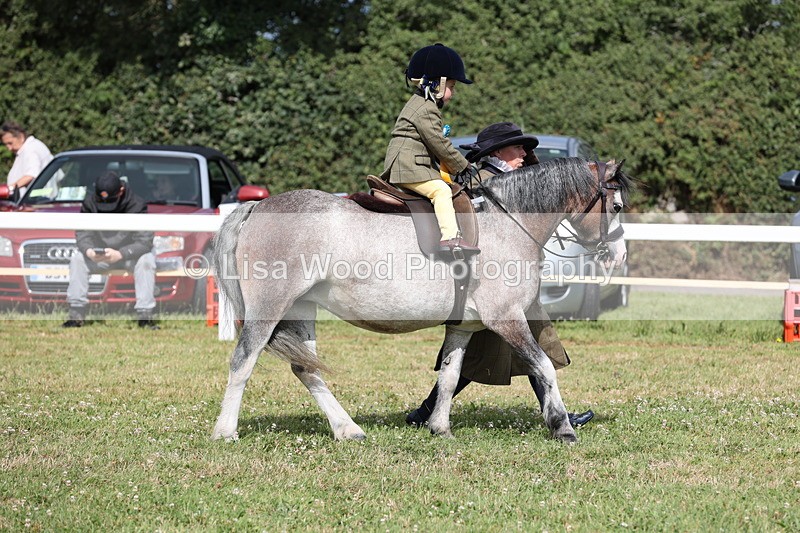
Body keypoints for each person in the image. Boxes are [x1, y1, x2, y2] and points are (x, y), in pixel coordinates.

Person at [406, 121, 595, 429]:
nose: (524, 152)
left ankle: (556, 413)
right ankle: (426, 412)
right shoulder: (482, 180)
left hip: (509, 281)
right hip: (485, 283)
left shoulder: (512, 179)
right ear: (497, 152)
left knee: (529, 345)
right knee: (488, 356)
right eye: (518, 146)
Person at [380, 43, 479, 254]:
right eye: (452, 86)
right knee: (441, 191)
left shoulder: (422, 104)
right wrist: (464, 166)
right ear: (438, 84)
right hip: (408, 165)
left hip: (410, 163)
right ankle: (450, 238)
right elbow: (438, 143)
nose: (453, 93)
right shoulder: (426, 108)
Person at [62, 171, 159, 329]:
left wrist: (121, 254)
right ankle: (76, 314)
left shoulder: (137, 204)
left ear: (121, 191)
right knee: (78, 259)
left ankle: (145, 316)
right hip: (101, 257)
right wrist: (89, 252)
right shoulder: (90, 203)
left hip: (130, 256)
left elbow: (145, 241)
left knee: (146, 260)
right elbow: (82, 234)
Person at [1, 121, 53, 199]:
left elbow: (31, 175)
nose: (9, 148)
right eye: (6, 144)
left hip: (37, 202)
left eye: (10, 143)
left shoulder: (31, 150)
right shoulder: (28, 148)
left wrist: (9, 189)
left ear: (21, 137)